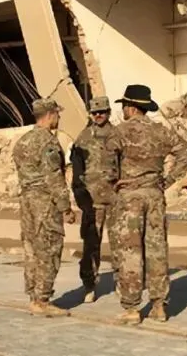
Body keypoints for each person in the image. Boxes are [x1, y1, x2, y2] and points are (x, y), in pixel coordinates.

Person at [105, 84, 183, 325]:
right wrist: (167, 180)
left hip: (130, 196)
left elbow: (107, 164)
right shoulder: (161, 131)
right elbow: (184, 152)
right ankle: (159, 306)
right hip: (154, 195)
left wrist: (115, 182)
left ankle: (131, 307)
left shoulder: (119, 131)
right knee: (156, 249)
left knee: (131, 251)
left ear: (130, 107)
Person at [12, 98, 77, 317]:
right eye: (57, 114)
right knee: (49, 249)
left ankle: (34, 296)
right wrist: (65, 207)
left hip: (27, 201)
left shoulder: (23, 141)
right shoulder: (48, 142)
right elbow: (53, 178)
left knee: (31, 249)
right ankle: (42, 300)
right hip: (44, 203)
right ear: (49, 115)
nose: (59, 117)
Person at [70, 96, 116, 303]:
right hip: (93, 200)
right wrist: (80, 196)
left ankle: (124, 282)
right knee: (91, 244)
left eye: (102, 112)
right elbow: (76, 169)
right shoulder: (83, 138)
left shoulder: (118, 135)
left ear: (108, 113)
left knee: (121, 244)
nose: (99, 116)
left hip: (115, 199)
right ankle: (89, 284)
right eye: (95, 113)